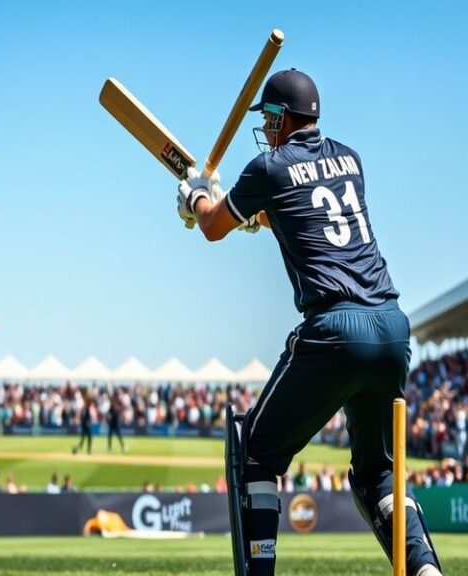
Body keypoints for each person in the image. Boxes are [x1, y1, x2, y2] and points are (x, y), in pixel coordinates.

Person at [176, 69, 441, 576]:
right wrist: (252, 217)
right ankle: (425, 569)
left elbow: (213, 228)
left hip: (334, 330)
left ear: (278, 119)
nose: (266, 130)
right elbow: (300, 212)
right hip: (391, 326)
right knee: (379, 475)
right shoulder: (350, 159)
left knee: (255, 451)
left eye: (268, 121)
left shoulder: (267, 167)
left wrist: (196, 200)